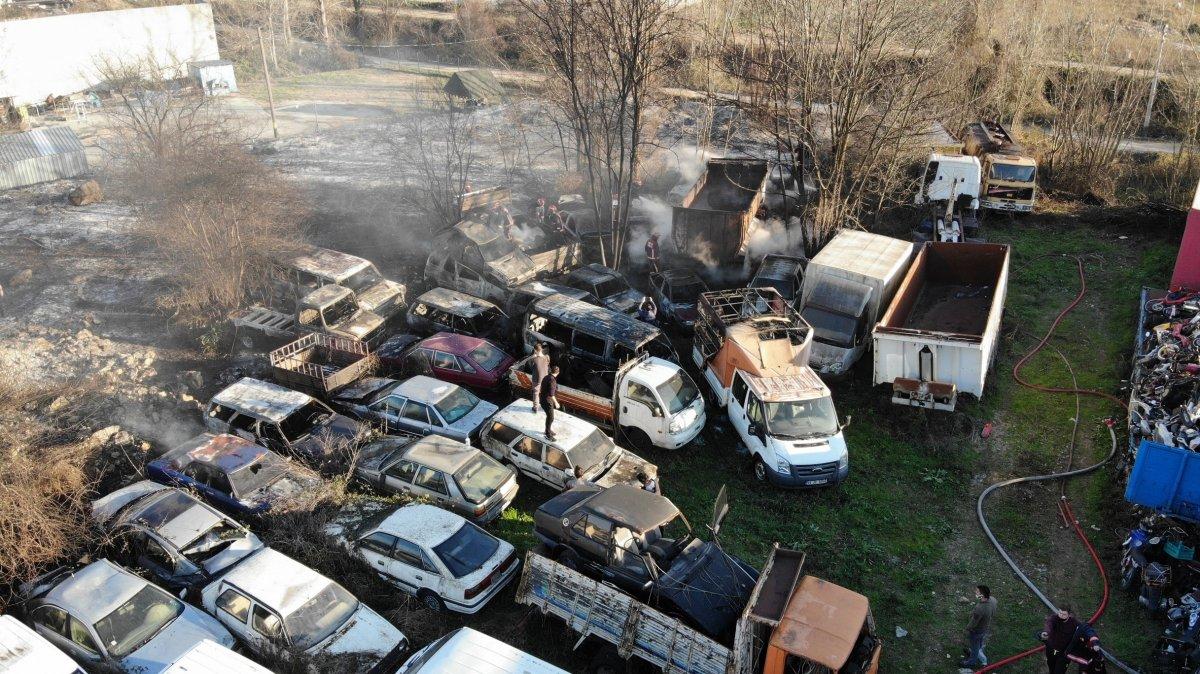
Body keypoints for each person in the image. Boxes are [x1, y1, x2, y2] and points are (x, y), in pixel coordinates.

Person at [961, 585, 996, 668]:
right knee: (979, 642)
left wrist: (967, 629)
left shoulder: (980, 608)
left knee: (975, 645)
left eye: (977, 592)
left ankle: (971, 661)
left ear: (982, 595)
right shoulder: (993, 600)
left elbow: (973, 622)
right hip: (985, 627)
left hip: (976, 630)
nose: (975, 593)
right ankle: (976, 652)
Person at [1042, 605, 1081, 674]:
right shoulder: (1053, 618)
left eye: (1064, 614)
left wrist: (1093, 639)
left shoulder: (1074, 623)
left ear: (1069, 615)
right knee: (1051, 667)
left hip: (1064, 653)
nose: (1061, 616)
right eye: (1060, 613)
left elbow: (1085, 629)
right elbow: (1049, 625)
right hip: (1051, 650)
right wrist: (1046, 632)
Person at [540, 365, 560, 440]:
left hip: (543, 399)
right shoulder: (552, 380)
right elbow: (551, 394)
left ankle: (548, 430)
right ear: (558, 373)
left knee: (549, 416)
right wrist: (556, 403)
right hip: (547, 401)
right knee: (551, 417)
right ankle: (548, 434)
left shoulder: (546, 377)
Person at [530, 342, 550, 413]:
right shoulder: (547, 357)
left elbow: (531, 367)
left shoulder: (534, 359)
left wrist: (534, 355)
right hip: (545, 378)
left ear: (535, 350)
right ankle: (546, 406)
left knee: (536, 393)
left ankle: (535, 407)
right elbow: (547, 364)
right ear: (541, 349)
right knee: (545, 393)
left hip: (537, 379)